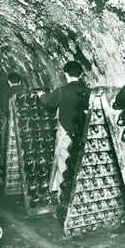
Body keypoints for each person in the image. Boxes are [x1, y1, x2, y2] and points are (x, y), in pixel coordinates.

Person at [38, 61, 88, 194]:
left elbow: (47, 100)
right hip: (82, 132)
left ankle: (60, 195)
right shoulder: (88, 91)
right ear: (81, 74)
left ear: (66, 74)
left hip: (66, 132)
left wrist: (40, 96)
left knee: (63, 162)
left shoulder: (62, 91)